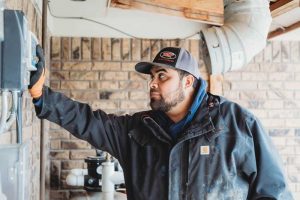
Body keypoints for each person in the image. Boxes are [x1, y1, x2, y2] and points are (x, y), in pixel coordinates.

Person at [30, 45, 293, 200]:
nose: (153, 83)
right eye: (152, 77)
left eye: (163, 76)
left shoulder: (236, 125)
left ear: (188, 81)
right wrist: (42, 94)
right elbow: (88, 121)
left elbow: (274, 192)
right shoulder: (137, 131)